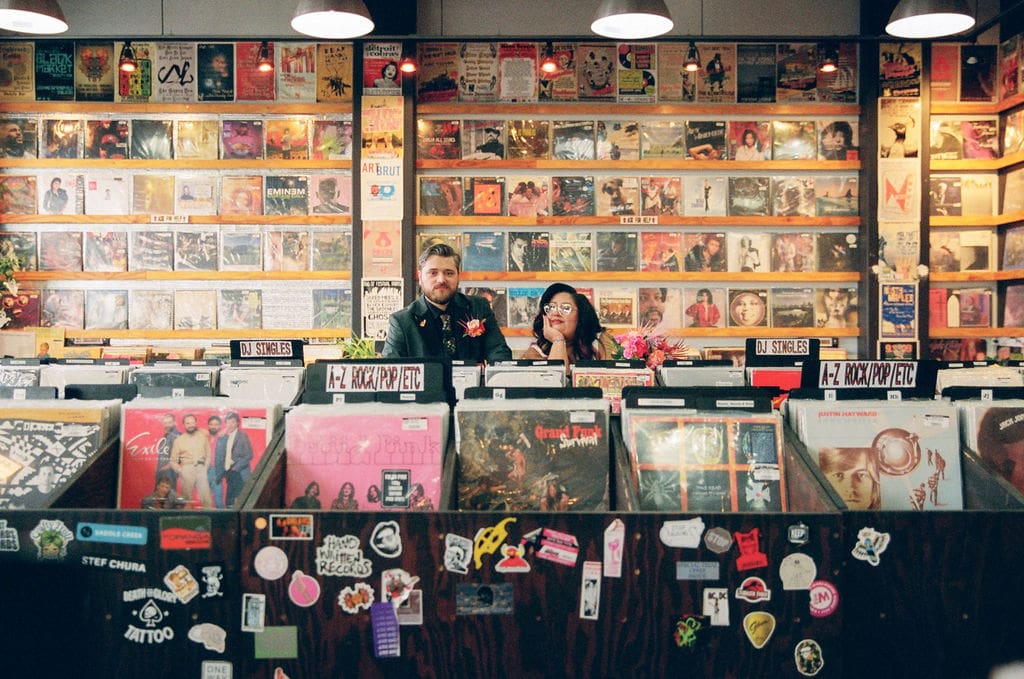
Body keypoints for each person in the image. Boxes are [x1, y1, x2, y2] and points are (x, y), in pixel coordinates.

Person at [382, 243, 512, 363]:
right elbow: (391, 370)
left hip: (472, 386)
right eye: (433, 273)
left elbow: (499, 352)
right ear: (420, 277)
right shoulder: (402, 321)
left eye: (449, 273)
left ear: (458, 276)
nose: (441, 280)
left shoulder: (478, 307)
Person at [521, 282, 616, 369]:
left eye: (566, 308)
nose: (556, 313)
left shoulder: (600, 342)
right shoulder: (534, 353)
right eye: (551, 307)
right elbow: (556, 383)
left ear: (580, 316)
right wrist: (558, 340)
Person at [170, 413, 215, 509]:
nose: (190, 425)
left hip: (201, 469)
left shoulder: (203, 437)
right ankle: (186, 522)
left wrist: (205, 468)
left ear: (196, 423)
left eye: (192, 422)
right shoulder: (179, 440)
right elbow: (173, 461)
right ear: (184, 425)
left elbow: (208, 454)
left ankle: (209, 520)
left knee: (206, 499)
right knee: (186, 500)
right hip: (187, 469)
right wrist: (181, 471)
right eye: (187, 423)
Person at [214, 412, 255, 507]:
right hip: (229, 473)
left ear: (237, 423)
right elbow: (220, 456)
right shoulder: (224, 437)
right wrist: (219, 473)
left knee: (239, 500)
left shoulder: (242, 436)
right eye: (228, 422)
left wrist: (235, 468)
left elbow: (249, 455)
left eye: (232, 422)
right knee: (229, 501)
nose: (230, 425)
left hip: (239, 472)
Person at [156, 413, 180, 490]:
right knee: (161, 494)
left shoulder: (176, 435)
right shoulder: (167, 435)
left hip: (169, 471)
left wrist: (168, 466)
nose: (167, 425)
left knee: (169, 493)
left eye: (169, 422)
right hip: (162, 470)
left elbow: (180, 454)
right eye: (165, 423)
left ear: (174, 423)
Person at [206, 415, 224, 509]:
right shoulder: (204, 437)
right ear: (208, 426)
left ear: (220, 426)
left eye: (216, 424)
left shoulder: (223, 438)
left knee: (218, 499)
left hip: (216, 470)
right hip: (203, 470)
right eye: (211, 424)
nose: (213, 426)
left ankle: (222, 522)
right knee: (204, 500)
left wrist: (220, 473)